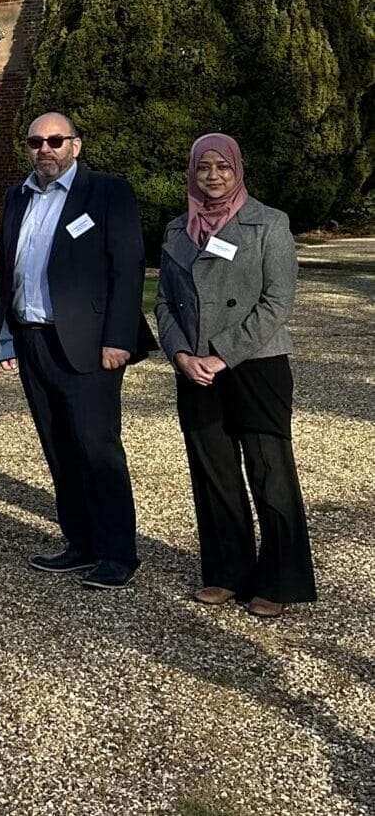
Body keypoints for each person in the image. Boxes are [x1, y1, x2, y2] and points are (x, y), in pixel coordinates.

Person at [156, 134, 314, 619]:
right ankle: (228, 572)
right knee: (214, 473)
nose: (213, 176)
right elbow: (164, 303)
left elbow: (277, 302)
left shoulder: (269, 223)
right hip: (196, 370)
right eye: (203, 167)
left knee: (270, 474)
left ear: (238, 170)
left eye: (222, 166)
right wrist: (182, 354)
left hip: (255, 365)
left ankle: (280, 580)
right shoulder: (178, 229)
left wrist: (223, 354)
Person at [0, 113, 155, 591]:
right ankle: (80, 543)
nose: (45, 149)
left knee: (96, 447)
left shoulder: (106, 191)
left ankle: (117, 552)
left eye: (55, 140)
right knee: (58, 447)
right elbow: (10, 271)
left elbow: (128, 268)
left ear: (75, 146)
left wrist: (119, 338)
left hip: (89, 343)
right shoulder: (16, 196)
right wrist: (6, 335)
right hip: (32, 339)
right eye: (36, 141)